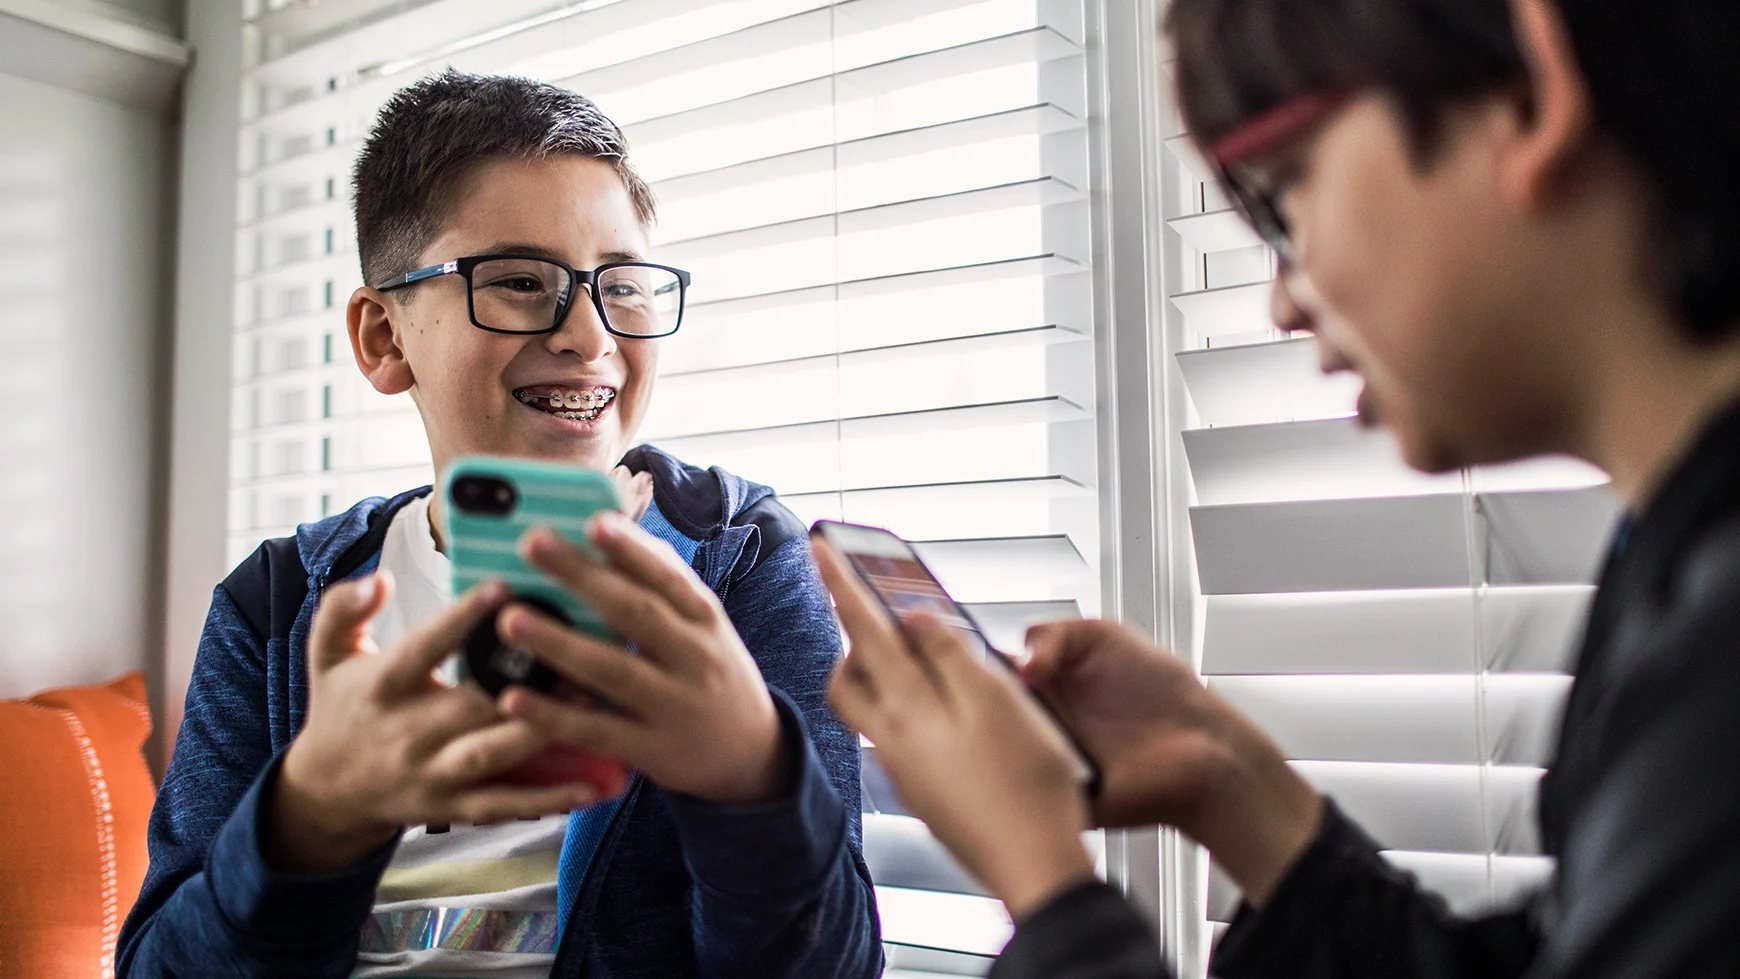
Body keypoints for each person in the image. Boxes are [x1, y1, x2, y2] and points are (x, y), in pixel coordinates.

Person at [811, 0, 1740, 976]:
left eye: (1287, 196)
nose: (1284, 299)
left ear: (1534, 94)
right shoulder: (1677, 567)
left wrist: (1044, 883)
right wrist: (1224, 777)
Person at [118, 70, 881, 979]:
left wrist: (750, 779)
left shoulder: (741, 558)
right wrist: (309, 816)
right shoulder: (277, 605)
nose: (590, 336)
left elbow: (832, 967)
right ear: (383, 338)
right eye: (521, 281)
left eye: (625, 286)